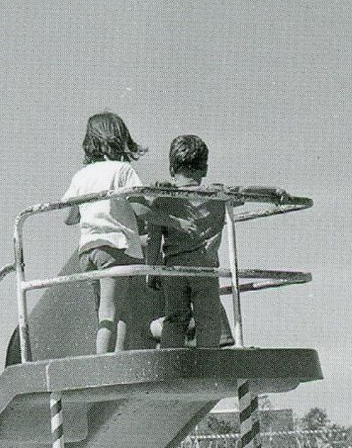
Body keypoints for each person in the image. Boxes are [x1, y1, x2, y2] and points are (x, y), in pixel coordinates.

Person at [62, 111, 161, 354]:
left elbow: (69, 217)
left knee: (117, 309)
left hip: (89, 250)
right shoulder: (122, 170)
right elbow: (139, 208)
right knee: (110, 313)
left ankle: (119, 356)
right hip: (116, 248)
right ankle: (103, 364)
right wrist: (171, 220)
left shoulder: (81, 175)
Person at [150, 135, 233, 349]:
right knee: (208, 317)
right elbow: (241, 195)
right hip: (203, 267)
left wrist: (152, 269)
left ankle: (171, 360)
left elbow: (154, 236)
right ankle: (207, 361)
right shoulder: (216, 195)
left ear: (171, 169)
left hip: (173, 268)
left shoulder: (163, 198)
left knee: (175, 318)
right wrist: (275, 192)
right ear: (204, 169)